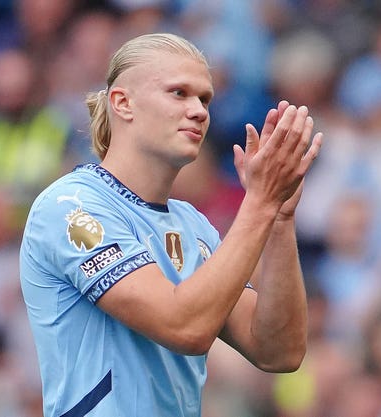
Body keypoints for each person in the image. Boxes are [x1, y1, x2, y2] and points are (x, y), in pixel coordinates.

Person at [19, 32, 323, 417]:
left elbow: (279, 351)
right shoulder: (71, 206)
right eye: (179, 93)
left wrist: (279, 217)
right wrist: (260, 203)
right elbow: (184, 327)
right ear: (123, 102)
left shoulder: (193, 224)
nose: (199, 110)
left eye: (205, 98)